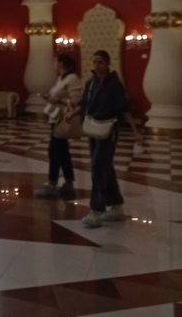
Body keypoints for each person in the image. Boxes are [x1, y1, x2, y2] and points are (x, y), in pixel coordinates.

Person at [70, 49, 143, 228]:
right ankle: (116, 206)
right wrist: (71, 114)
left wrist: (135, 131)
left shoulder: (115, 85)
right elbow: (85, 104)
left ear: (107, 63)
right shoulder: (91, 83)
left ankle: (96, 210)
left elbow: (124, 108)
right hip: (93, 128)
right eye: (94, 62)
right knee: (105, 167)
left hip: (109, 130)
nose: (97, 65)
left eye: (100, 62)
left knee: (97, 167)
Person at [35, 53, 81, 200]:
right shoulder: (60, 78)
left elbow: (76, 101)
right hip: (55, 118)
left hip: (63, 119)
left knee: (54, 151)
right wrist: (49, 98)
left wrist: (58, 100)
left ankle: (52, 183)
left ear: (61, 63)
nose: (53, 64)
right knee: (62, 151)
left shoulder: (72, 78)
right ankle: (68, 183)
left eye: (55, 61)